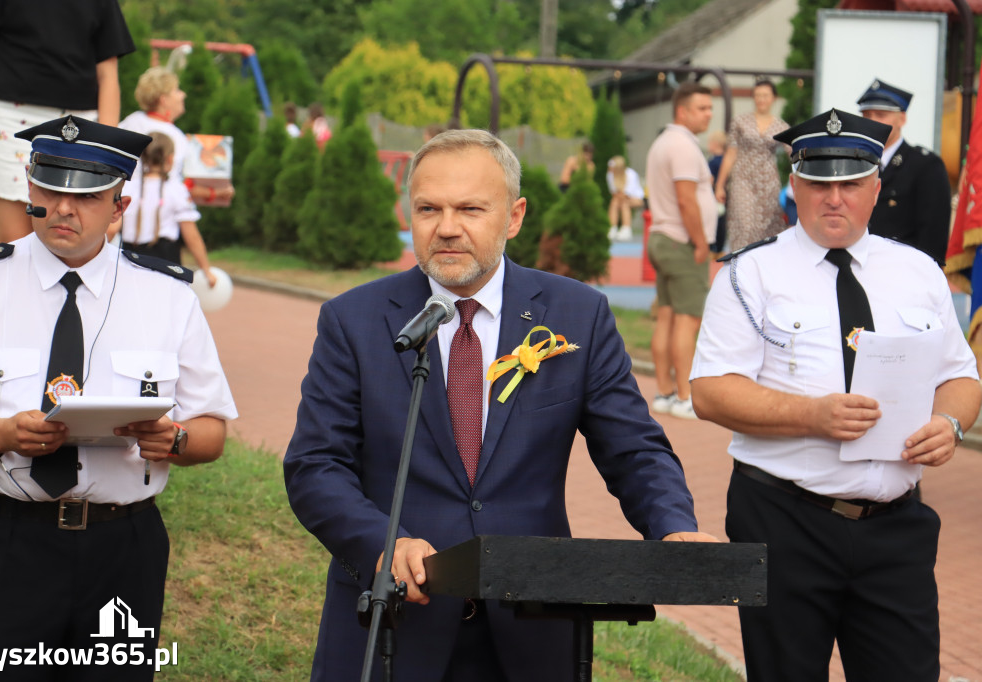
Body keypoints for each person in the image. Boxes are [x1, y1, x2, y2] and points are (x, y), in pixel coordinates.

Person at [283, 129, 716, 682]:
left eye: (469, 208)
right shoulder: (355, 320)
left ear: (513, 217)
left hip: (532, 624)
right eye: (428, 208)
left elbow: (633, 448)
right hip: (395, 625)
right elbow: (315, 465)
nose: (446, 227)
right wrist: (382, 544)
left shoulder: (576, 314)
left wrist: (673, 528)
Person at [690, 108, 981, 682]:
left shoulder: (918, 272)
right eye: (820, 183)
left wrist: (949, 425)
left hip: (896, 526)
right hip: (785, 519)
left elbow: (962, 376)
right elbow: (710, 393)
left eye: (851, 183)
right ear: (794, 186)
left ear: (876, 186)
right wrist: (811, 416)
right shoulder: (751, 274)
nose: (834, 198)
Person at [0, 116, 237, 680]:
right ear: (30, 191)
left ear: (118, 206)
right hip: (2, 540)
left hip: (122, 548)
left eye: (86, 195)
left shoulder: (168, 297)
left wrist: (174, 438)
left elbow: (211, 430)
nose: (65, 208)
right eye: (53, 189)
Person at [0, 0, 134, 243]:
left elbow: (108, 76)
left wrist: (104, 149)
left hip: (78, 128)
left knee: (73, 239)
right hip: (10, 125)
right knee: (13, 244)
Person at [644, 82, 716, 420]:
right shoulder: (684, 147)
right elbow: (687, 199)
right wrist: (701, 242)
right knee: (687, 322)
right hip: (681, 241)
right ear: (682, 111)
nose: (709, 114)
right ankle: (686, 397)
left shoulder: (662, 142)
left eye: (710, 107)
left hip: (661, 237)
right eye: (702, 108)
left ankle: (663, 393)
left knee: (668, 317)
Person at [858, 78, 952, 265]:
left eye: (881, 115)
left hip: (903, 274)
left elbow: (933, 239)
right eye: (867, 115)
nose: (872, 122)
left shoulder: (926, 166)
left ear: (902, 119)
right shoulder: (855, 163)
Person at [120, 66, 235, 206]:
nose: (183, 95)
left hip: (124, 203)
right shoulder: (175, 137)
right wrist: (215, 193)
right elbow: (177, 184)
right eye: (177, 90)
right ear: (164, 99)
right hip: (159, 209)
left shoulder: (129, 122)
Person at [118, 130, 217, 287]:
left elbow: (111, 228)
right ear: (170, 159)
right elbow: (191, 236)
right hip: (166, 264)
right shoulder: (176, 190)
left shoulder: (128, 189)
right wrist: (206, 270)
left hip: (130, 262)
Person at [714, 79, 790, 251]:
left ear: (773, 98)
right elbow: (730, 153)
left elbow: (792, 152)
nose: (761, 99)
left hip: (768, 182)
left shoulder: (781, 126)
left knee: (767, 228)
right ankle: (739, 267)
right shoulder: (740, 122)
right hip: (743, 178)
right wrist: (720, 185)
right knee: (744, 225)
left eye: (765, 95)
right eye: (757, 95)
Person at [606, 155, 645, 241]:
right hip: (620, 199)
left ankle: (626, 229)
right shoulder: (610, 175)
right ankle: (612, 228)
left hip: (637, 199)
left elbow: (627, 194)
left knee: (624, 203)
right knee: (614, 202)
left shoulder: (631, 174)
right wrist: (619, 197)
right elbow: (614, 193)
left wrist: (619, 197)